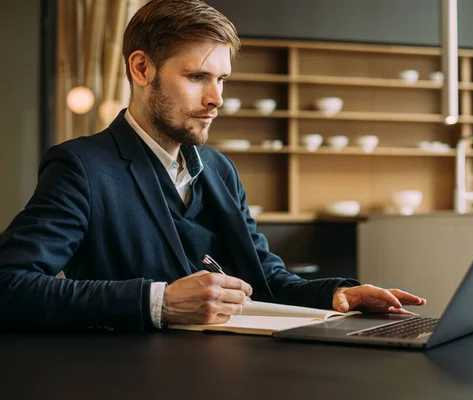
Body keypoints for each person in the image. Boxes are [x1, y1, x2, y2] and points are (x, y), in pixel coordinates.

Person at [0, 0, 425, 332]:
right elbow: (9, 286)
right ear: (142, 68)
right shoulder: (81, 167)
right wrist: (159, 303)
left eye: (221, 79)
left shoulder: (220, 170)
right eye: (198, 77)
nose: (216, 98)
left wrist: (340, 293)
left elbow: (267, 280)